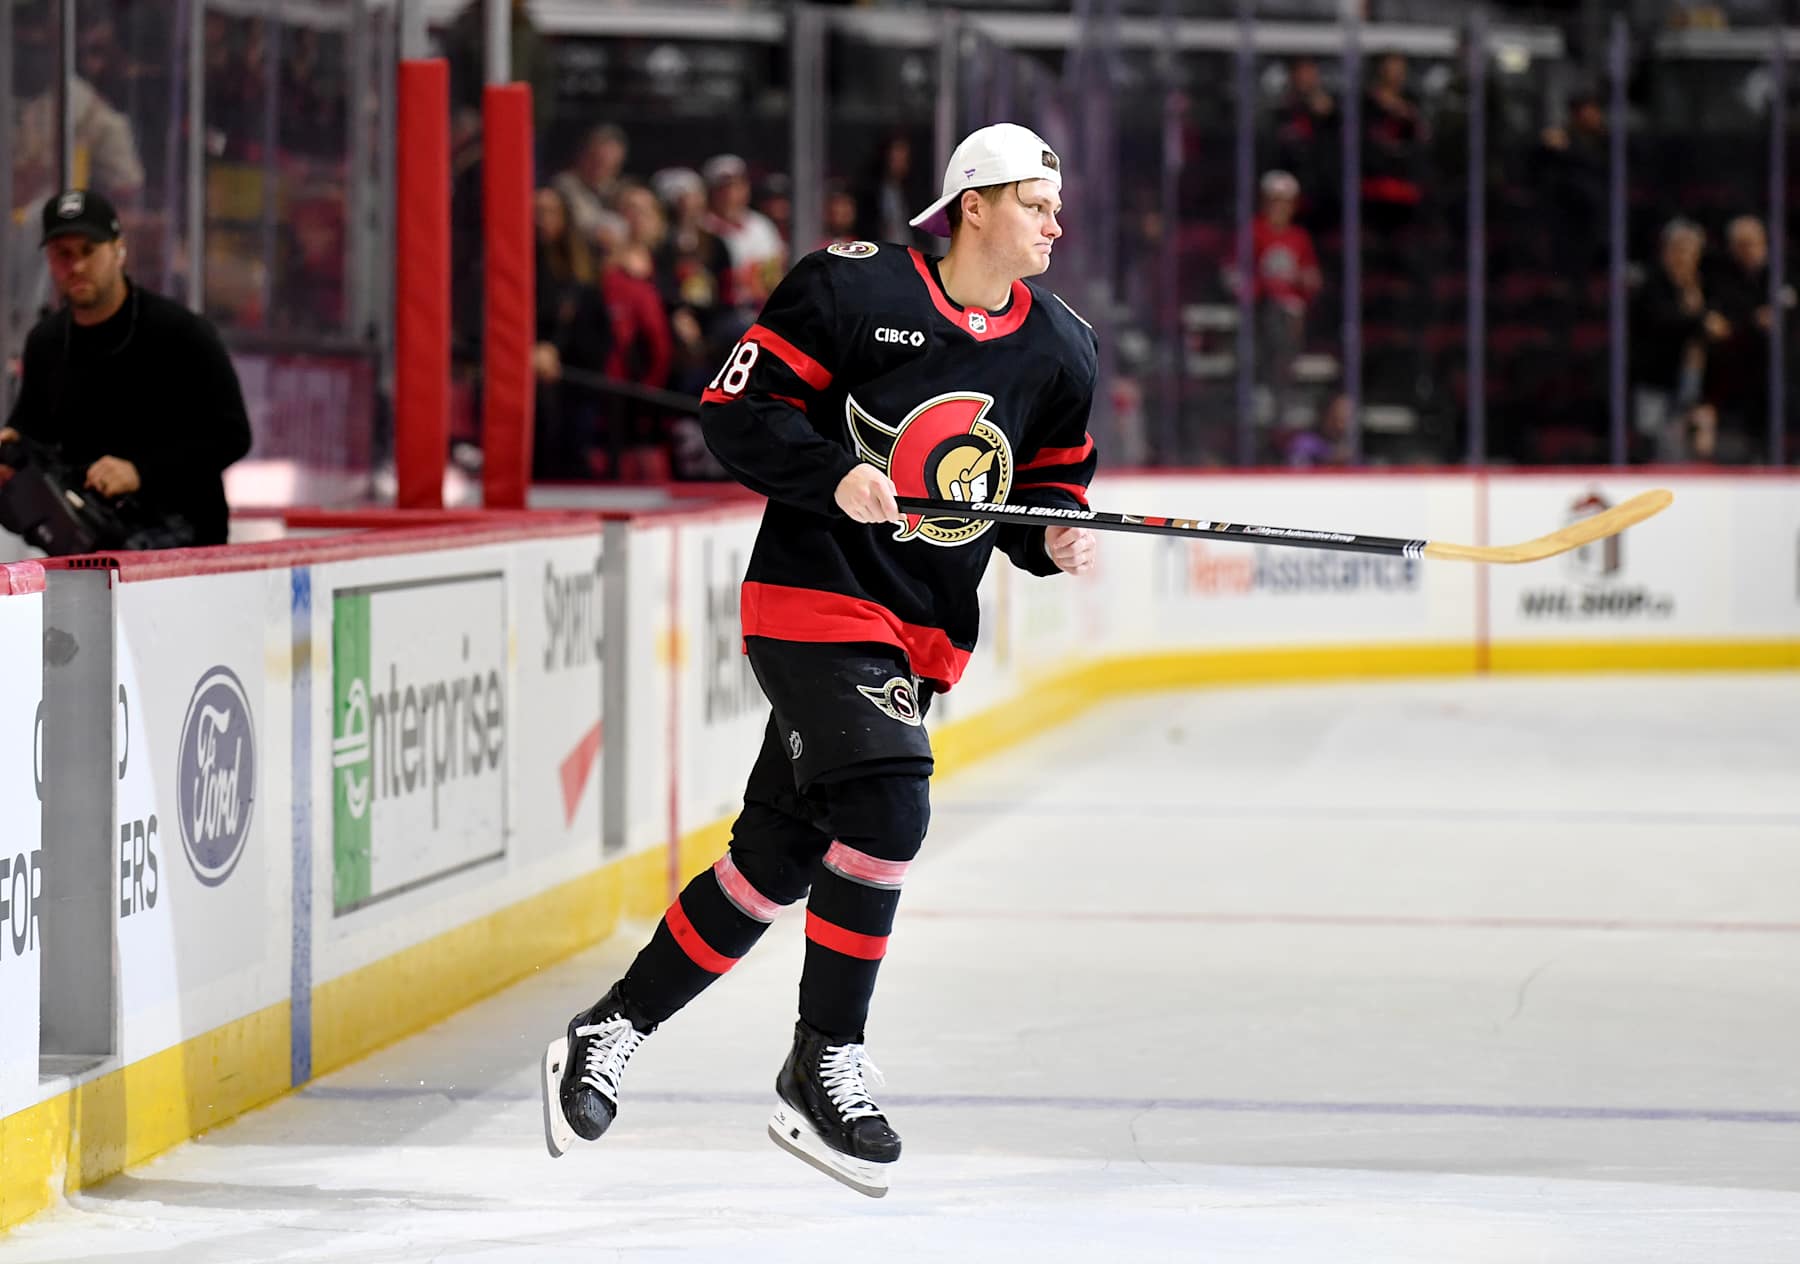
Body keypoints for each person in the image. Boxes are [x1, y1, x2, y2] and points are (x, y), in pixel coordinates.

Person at [541, 123, 1099, 1196]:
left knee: (777, 859)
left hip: (921, 630)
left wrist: (1054, 540)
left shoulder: (1062, 347)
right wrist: (834, 474)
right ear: (973, 206)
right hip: (813, 596)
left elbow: (1040, 498)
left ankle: (609, 1027)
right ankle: (822, 1060)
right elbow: (735, 411)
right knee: (890, 805)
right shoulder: (852, 289)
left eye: (1056, 207)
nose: (1054, 224)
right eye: (1036, 204)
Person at [1, 190, 251, 549]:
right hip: (87, 545)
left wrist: (140, 471)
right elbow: (32, 429)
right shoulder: (47, 341)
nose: (77, 266)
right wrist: (13, 452)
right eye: (62, 254)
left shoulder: (180, 333)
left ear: (119, 250)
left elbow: (231, 435)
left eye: (88, 250)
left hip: (185, 548)